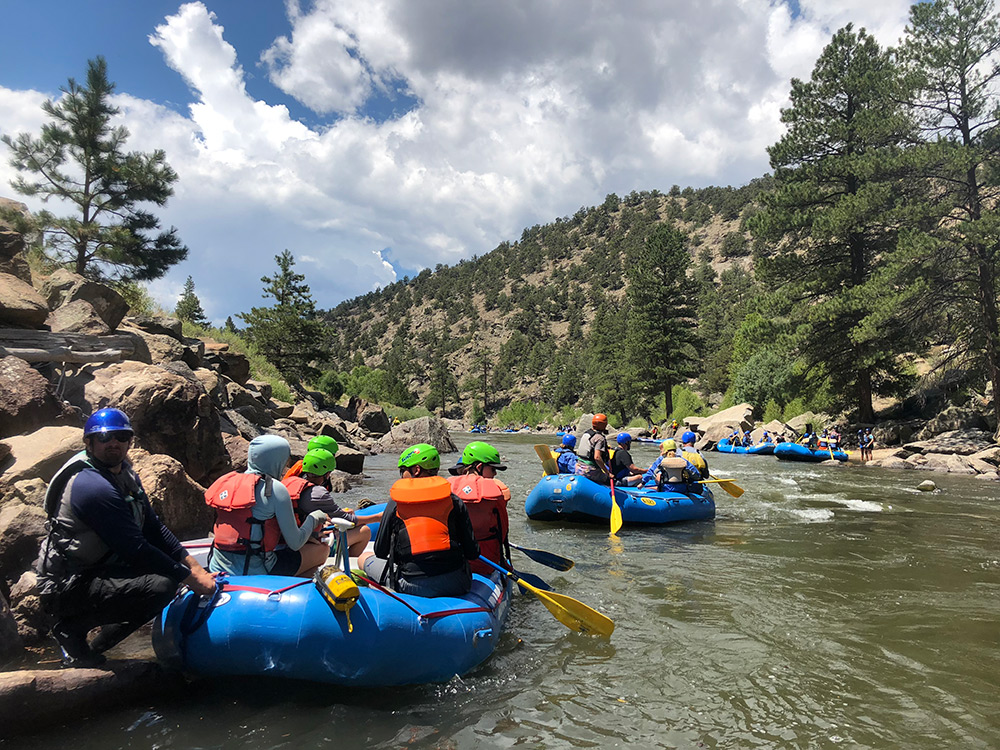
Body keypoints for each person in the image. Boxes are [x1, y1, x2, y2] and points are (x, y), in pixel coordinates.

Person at [37, 407, 217, 668]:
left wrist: (196, 568)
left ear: (130, 440)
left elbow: (153, 529)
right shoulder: (92, 486)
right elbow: (135, 548)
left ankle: (94, 646)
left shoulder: (124, 473)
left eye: (122, 437)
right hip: (67, 584)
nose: (114, 443)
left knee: (173, 575)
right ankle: (72, 630)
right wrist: (189, 578)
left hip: (99, 568)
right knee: (162, 586)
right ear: (88, 442)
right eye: (104, 437)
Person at [358, 444, 479, 597]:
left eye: (403, 471)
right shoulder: (454, 500)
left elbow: (380, 551)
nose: (401, 476)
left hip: (412, 586)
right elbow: (472, 552)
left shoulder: (395, 503)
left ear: (416, 470)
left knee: (364, 558)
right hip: (457, 583)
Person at [205, 434, 329, 578]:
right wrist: (315, 517)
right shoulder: (275, 489)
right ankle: (288, 588)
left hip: (216, 566)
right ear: (277, 460)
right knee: (322, 550)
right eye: (285, 460)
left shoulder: (226, 481)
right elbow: (295, 543)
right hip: (257, 570)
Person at [281, 448, 382, 557]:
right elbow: (349, 521)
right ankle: (348, 567)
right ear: (327, 474)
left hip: (288, 540)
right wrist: (377, 518)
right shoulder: (318, 493)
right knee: (364, 531)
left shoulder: (288, 482)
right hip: (304, 544)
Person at [447, 441, 511, 575]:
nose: (495, 474)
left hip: (450, 562)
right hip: (485, 565)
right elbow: (503, 531)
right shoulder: (496, 493)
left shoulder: (447, 488)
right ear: (480, 467)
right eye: (493, 469)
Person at [575, 413, 611, 484]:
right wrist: (608, 473)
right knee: (611, 479)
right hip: (590, 471)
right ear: (603, 425)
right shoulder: (599, 438)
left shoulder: (586, 434)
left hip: (578, 468)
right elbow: (597, 457)